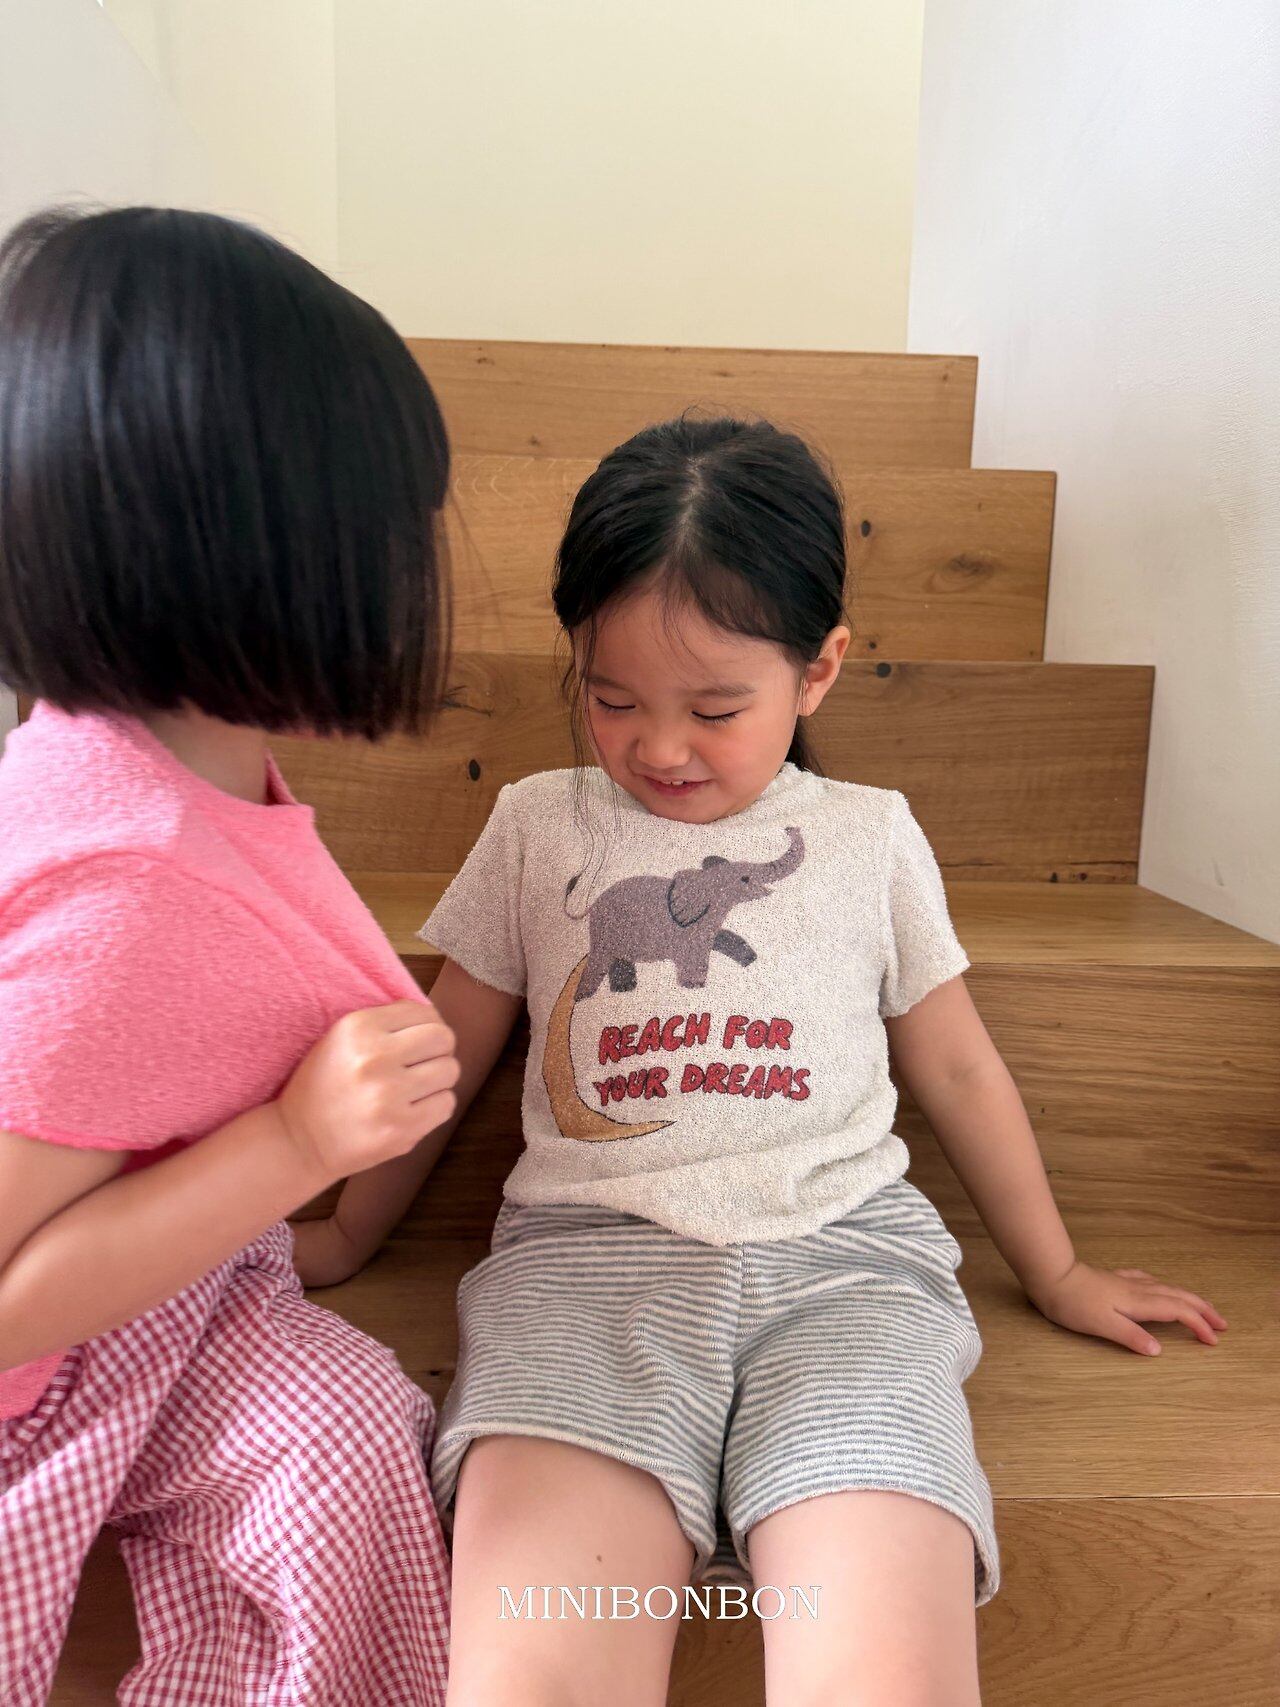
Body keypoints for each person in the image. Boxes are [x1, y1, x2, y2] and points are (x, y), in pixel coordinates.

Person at [300, 415, 1227, 1706]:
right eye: (611, 699)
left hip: (847, 1278)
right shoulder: (536, 825)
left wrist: (1057, 1269)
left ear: (820, 670)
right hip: (585, 1276)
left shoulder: (869, 836)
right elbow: (447, 1046)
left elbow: (959, 1071)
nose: (659, 748)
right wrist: (348, 1232)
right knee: (534, 1675)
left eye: (716, 709)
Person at [0, 205, 461, 1705]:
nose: (412, 568)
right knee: (343, 1454)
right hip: (49, 1370)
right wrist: (293, 1145)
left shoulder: (164, 767)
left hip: (178, 1285)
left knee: (351, 1426)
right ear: (251, 547)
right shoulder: (127, 888)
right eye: (388, 526)